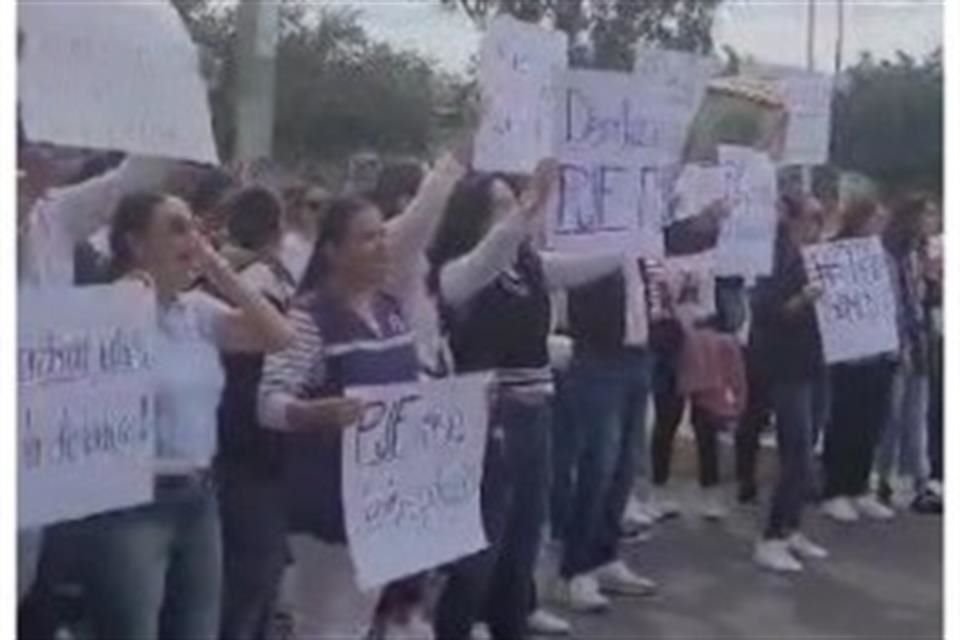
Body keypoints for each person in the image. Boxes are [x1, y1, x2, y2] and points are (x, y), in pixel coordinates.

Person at [258, 151, 467, 639]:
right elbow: (268, 403)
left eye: (382, 236)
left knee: (360, 624)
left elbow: (409, 384)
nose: (382, 247)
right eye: (368, 238)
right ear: (332, 251)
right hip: (329, 506)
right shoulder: (309, 318)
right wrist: (318, 413)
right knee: (328, 627)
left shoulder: (391, 311)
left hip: (382, 505)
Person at [73, 191, 293, 640]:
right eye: (176, 228)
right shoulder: (111, 306)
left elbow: (278, 336)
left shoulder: (197, 312)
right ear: (135, 243)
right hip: (133, 501)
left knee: (197, 630)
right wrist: (131, 297)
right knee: (132, 629)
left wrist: (218, 267)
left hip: (198, 497)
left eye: (194, 226)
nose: (191, 237)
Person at [431, 170, 629, 637]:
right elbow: (489, 254)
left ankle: (509, 617)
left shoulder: (529, 263)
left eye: (510, 204)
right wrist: (527, 208)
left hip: (534, 409)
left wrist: (635, 239)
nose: (510, 215)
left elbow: (586, 267)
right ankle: (461, 623)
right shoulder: (458, 271)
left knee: (526, 532)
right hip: (488, 419)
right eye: (497, 206)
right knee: (482, 543)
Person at [210, 187, 301, 640]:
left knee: (256, 574)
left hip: (253, 440)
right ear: (277, 227)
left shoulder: (262, 276)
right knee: (252, 573)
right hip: (253, 442)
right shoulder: (260, 280)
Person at [752, 195, 830, 573]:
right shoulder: (775, 258)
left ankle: (792, 526)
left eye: (821, 218)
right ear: (794, 221)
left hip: (816, 364)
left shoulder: (819, 257)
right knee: (795, 451)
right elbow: (766, 311)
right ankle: (772, 537)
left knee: (807, 449)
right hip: (787, 368)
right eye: (812, 217)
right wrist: (802, 299)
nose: (817, 225)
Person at [819, 198, 898, 524]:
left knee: (871, 423)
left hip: (880, 351)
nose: (880, 226)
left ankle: (859, 486)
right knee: (844, 421)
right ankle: (834, 489)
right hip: (848, 354)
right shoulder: (835, 253)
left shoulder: (884, 256)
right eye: (875, 219)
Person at [874, 195, 941, 515]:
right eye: (927, 215)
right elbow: (893, 305)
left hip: (919, 340)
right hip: (895, 343)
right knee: (892, 416)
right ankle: (882, 478)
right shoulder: (888, 256)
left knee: (917, 415)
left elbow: (922, 300)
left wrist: (930, 279)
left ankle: (919, 481)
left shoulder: (919, 254)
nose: (933, 221)